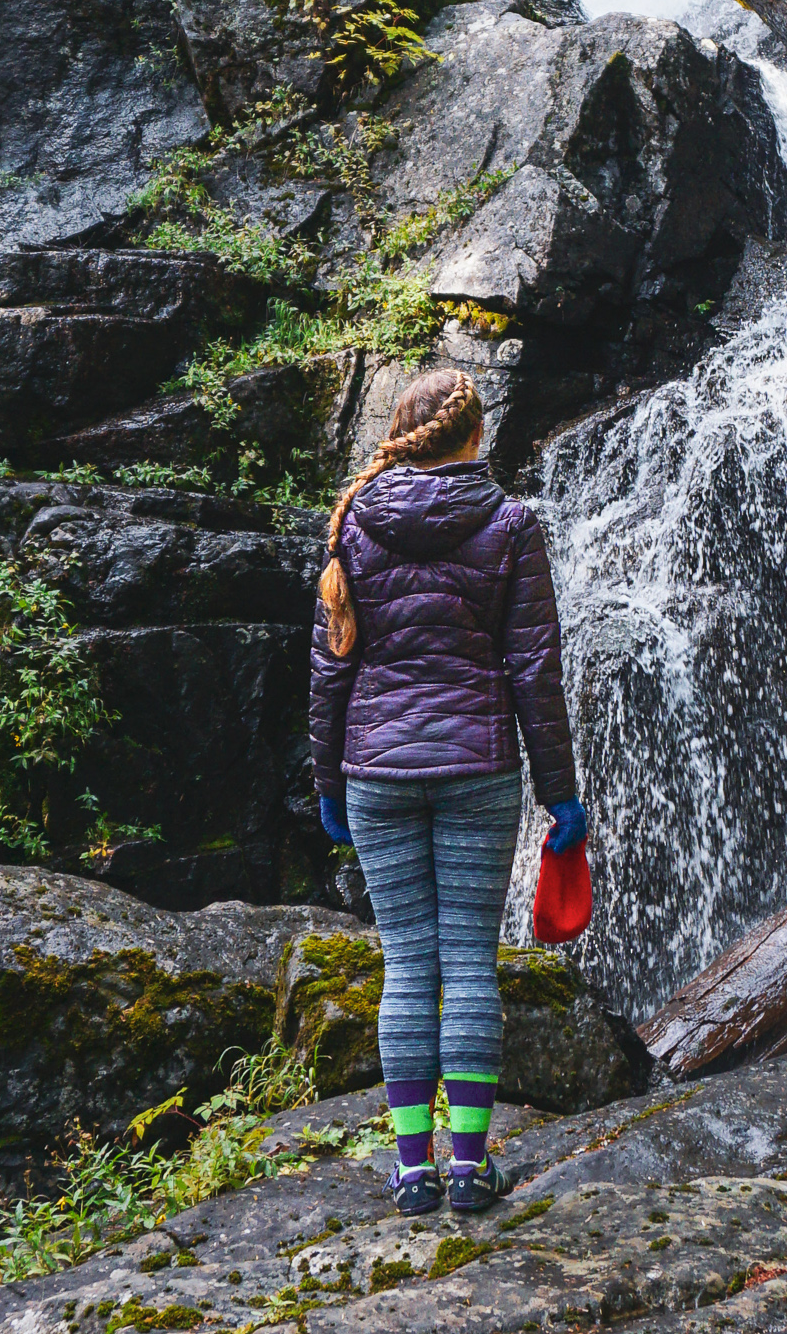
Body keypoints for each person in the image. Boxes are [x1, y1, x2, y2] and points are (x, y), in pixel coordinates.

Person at [309, 367, 587, 1217]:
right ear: (477, 435)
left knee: (406, 964)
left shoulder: (352, 521)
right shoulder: (508, 524)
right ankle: (469, 1166)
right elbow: (536, 669)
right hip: (478, 768)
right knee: (469, 960)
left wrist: (326, 779)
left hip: (376, 771)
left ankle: (410, 1170)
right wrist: (559, 792)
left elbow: (329, 663)